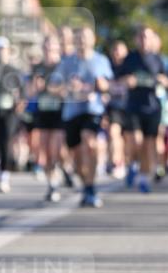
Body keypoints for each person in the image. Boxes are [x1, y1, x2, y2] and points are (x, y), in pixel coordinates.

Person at [49, 25, 112, 208]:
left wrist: (100, 85)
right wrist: (66, 88)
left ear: (93, 40)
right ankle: (86, 185)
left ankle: (91, 188)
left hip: (93, 110)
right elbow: (53, 87)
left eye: (86, 37)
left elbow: (108, 85)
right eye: (79, 38)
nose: (82, 41)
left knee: (90, 142)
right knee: (76, 160)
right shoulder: (67, 62)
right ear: (74, 42)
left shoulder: (100, 60)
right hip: (71, 112)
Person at [117, 26, 168, 193]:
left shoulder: (158, 59)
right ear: (137, 40)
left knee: (148, 145)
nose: (144, 40)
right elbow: (118, 80)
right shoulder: (130, 58)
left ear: (152, 39)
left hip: (152, 108)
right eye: (141, 37)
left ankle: (144, 177)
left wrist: (162, 81)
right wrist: (127, 81)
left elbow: (166, 81)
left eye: (147, 37)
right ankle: (132, 164)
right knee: (135, 142)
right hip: (133, 106)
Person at [0, 36, 24, 194]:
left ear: (8, 51)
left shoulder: (13, 70)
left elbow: (21, 92)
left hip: (9, 111)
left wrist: (19, 103)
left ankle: (4, 176)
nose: (0, 53)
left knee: (5, 142)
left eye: (3, 50)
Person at [30, 34, 65, 203]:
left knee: (54, 149)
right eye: (46, 47)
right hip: (43, 112)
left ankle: (57, 178)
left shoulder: (63, 65)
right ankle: (51, 184)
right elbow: (30, 91)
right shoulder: (38, 68)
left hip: (59, 112)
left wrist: (52, 89)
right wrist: (35, 88)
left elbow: (67, 90)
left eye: (52, 46)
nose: (49, 50)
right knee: (43, 151)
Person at [106, 39, 130, 181]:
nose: (118, 53)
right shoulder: (108, 67)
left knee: (127, 139)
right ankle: (117, 163)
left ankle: (128, 163)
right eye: (115, 50)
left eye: (120, 50)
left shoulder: (130, 67)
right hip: (114, 107)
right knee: (113, 133)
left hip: (129, 107)